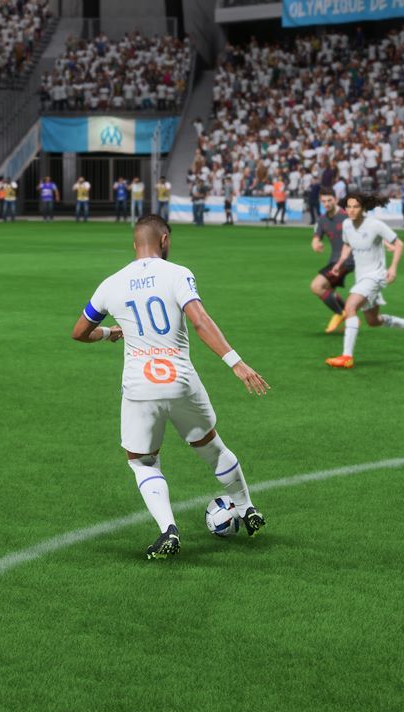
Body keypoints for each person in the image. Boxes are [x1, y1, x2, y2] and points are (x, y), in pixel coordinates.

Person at [71, 215, 269, 559]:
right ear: (164, 240)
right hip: (181, 381)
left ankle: (168, 530)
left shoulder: (110, 284)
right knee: (213, 448)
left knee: (143, 462)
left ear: (135, 243)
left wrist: (109, 333)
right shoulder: (177, 273)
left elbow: (79, 332)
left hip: (140, 387)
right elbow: (199, 320)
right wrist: (236, 362)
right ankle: (248, 508)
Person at [325, 193, 404, 369]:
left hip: (375, 276)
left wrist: (393, 268)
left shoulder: (375, 225)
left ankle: (347, 356)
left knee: (350, 307)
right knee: (373, 321)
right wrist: (339, 263)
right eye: (349, 206)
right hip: (361, 277)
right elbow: (347, 245)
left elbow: (399, 244)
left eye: (356, 206)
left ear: (363, 208)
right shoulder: (347, 224)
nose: (352, 210)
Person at [310, 189, 352, 334]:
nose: (327, 204)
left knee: (316, 286)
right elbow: (316, 238)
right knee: (328, 290)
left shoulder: (347, 216)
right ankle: (350, 318)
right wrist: (316, 244)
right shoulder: (322, 220)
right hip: (334, 261)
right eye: (324, 201)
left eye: (329, 200)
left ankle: (340, 313)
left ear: (335, 199)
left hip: (348, 260)